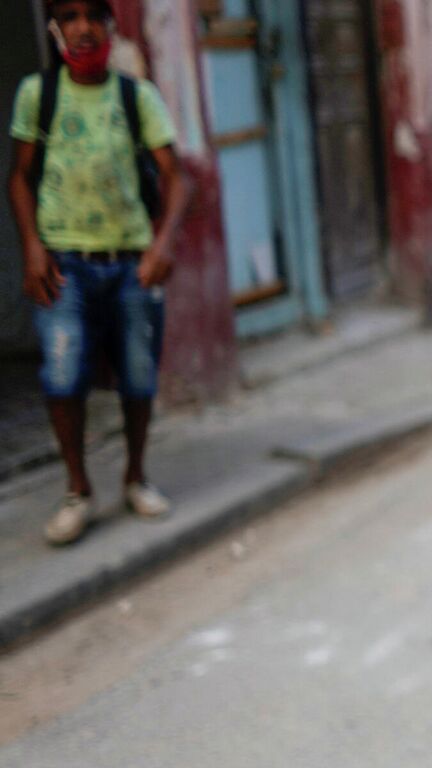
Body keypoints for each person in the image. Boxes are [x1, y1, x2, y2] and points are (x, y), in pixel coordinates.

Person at [9, 0, 189, 546]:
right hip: (63, 266)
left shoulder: (137, 98)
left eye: (93, 16)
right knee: (63, 379)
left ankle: (136, 476)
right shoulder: (37, 96)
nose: (83, 28)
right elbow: (19, 178)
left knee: (139, 376)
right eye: (70, 16)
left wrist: (161, 245)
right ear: (56, 29)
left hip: (132, 265)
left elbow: (177, 179)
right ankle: (78, 490)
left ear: (110, 27)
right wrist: (33, 248)